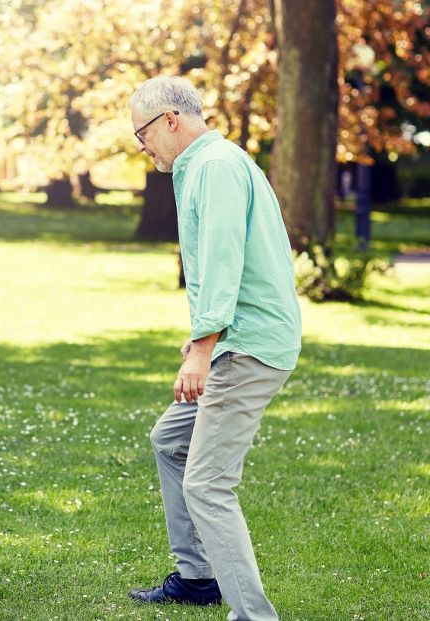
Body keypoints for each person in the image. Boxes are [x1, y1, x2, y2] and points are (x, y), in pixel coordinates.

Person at [126, 76, 301, 621]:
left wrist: (204, 347)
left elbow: (223, 258)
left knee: (208, 482)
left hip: (248, 348)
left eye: (143, 134)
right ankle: (199, 579)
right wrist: (205, 334)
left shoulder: (215, 167)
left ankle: (253, 616)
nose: (142, 146)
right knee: (170, 440)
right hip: (235, 338)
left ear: (171, 120)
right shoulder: (203, 166)